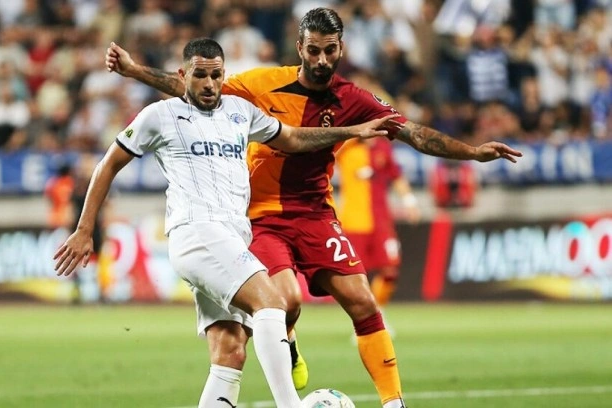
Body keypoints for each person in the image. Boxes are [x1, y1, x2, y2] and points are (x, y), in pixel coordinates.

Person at [104, 9, 522, 408]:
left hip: (315, 213)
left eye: (330, 50)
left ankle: (394, 401)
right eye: (314, 50)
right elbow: (195, 88)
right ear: (300, 48)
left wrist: (471, 152)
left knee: (363, 302)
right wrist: (135, 70)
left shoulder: (354, 99)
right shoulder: (264, 83)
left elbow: (412, 132)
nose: (322, 60)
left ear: (341, 49)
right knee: (284, 300)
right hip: (261, 216)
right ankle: (288, 342)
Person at [54, 38, 397, 408]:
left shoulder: (239, 111)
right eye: (200, 75)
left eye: (216, 75)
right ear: (183, 75)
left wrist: (350, 131)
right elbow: (108, 164)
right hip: (197, 232)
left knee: (230, 351)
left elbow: (294, 138)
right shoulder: (160, 115)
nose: (209, 84)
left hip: (232, 239)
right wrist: (84, 229)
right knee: (272, 303)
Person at [336, 137, 421, 328]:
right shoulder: (346, 146)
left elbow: (396, 175)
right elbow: (327, 155)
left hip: (382, 222)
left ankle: (377, 313)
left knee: (390, 271)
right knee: (357, 277)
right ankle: (364, 321)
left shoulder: (383, 148)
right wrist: (352, 135)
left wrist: (409, 202)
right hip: (354, 222)